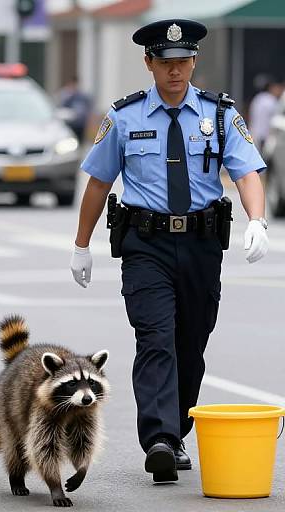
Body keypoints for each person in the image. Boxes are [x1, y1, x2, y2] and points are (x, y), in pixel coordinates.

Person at [70, 19, 269, 483]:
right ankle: (158, 438)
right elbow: (99, 183)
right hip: (146, 244)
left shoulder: (219, 114)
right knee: (155, 338)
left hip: (202, 244)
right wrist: (81, 245)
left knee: (190, 344)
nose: (175, 72)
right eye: (165, 63)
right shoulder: (124, 117)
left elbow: (246, 172)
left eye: (183, 62)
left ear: (193, 62)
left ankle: (176, 432)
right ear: (149, 64)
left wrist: (257, 219)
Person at [248, 75, 284, 150]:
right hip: (263, 137)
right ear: (272, 87)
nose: (280, 91)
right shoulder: (270, 100)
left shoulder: (258, 97)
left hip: (253, 134)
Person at [58, 76, 92, 143]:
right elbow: (62, 106)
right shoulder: (66, 94)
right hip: (70, 124)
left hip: (80, 124)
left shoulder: (82, 95)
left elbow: (88, 106)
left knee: (80, 142)